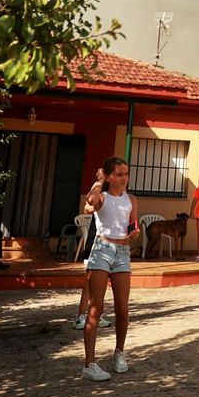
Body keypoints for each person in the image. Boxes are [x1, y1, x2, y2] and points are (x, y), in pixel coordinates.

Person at [80, 157, 139, 381]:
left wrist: (134, 231)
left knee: (123, 309)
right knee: (96, 308)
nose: (125, 178)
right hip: (102, 250)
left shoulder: (131, 199)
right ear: (110, 176)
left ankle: (119, 353)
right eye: (120, 174)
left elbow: (133, 222)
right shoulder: (102, 198)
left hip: (123, 253)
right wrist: (99, 181)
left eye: (126, 174)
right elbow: (91, 199)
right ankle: (89, 363)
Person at [73, 176, 112, 331]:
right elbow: (87, 208)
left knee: (101, 284)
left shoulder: (114, 197)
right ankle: (80, 317)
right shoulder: (98, 193)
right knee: (89, 283)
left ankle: (96, 314)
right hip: (94, 245)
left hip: (108, 247)